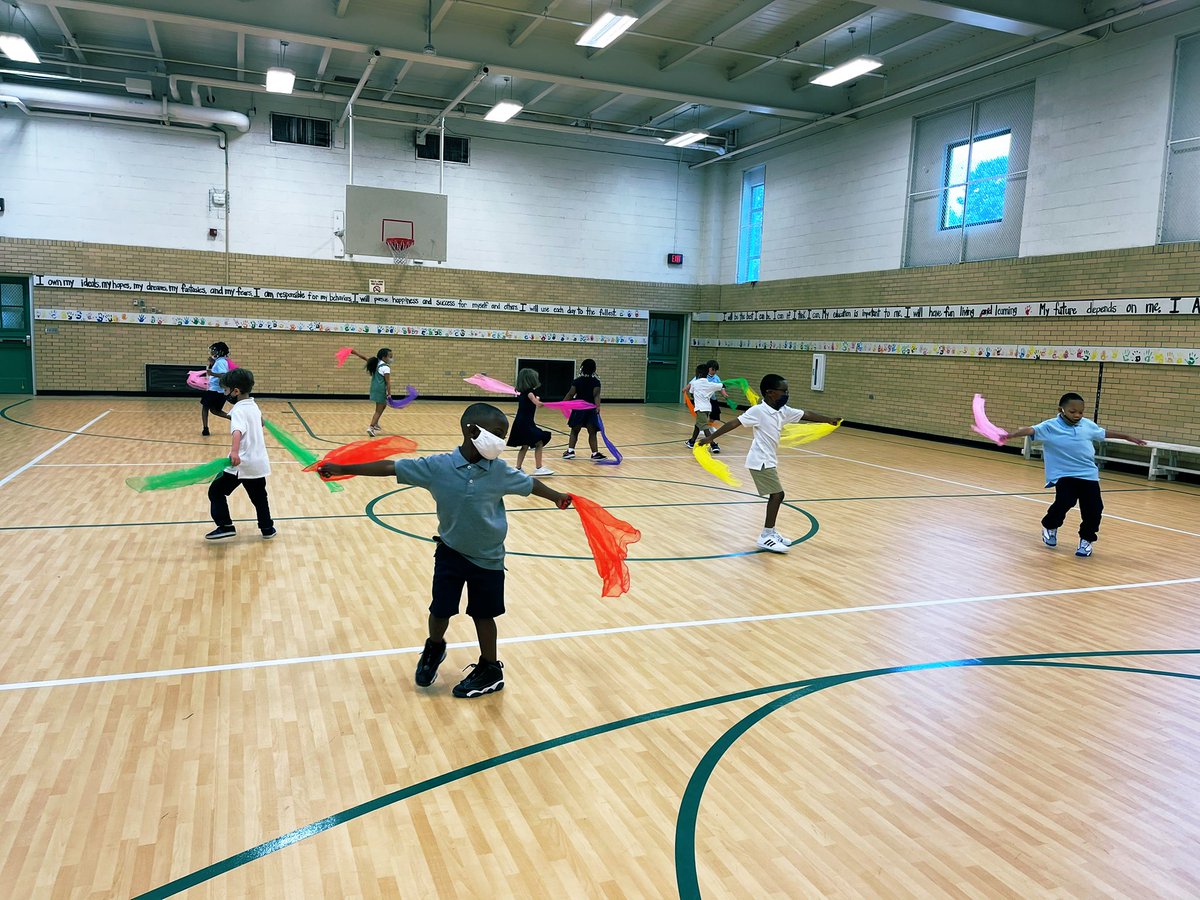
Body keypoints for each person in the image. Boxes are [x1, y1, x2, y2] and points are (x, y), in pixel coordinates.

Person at [319, 403, 572, 698]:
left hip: (489, 558)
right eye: (498, 434)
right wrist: (343, 468)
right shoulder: (437, 467)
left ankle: (490, 668)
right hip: (451, 552)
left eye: (505, 435)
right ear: (472, 430)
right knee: (440, 610)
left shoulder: (500, 472)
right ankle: (434, 648)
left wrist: (557, 497)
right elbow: (391, 467)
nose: (502, 442)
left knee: (483, 615)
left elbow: (529, 484)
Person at [699, 374, 839, 554]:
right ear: (770, 393)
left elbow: (806, 414)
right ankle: (766, 536)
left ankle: (771, 532)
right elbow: (734, 423)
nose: (786, 394)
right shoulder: (758, 411)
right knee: (777, 495)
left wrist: (828, 419)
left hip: (769, 459)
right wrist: (710, 437)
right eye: (784, 391)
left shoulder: (783, 411)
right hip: (760, 460)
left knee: (777, 495)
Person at [998, 392, 1145, 557]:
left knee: (1094, 509)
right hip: (1064, 474)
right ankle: (1049, 525)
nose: (1077, 415)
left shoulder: (1087, 425)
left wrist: (1126, 437)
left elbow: (1103, 433)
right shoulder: (1050, 426)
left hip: (1088, 473)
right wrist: (1011, 435)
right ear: (1061, 409)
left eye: (1081, 412)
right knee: (1066, 501)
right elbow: (1031, 430)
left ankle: (1086, 541)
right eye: (1072, 411)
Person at [205, 367, 275, 541]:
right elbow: (261, 422)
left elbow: (237, 431)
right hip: (258, 463)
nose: (225, 393)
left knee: (215, 491)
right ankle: (267, 528)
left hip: (240, 464)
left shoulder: (237, 410)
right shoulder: (253, 405)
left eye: (226, 390)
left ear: (235, 391)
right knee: (260, 497)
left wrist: (234, 452)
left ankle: (225, 525)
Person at [508, 368, 555, 475]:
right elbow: (537, 404)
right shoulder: (530, 393)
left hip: (521, 422)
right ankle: (539, 468)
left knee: (524, 445)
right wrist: (544, 403)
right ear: (531, 379)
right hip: (526, 423)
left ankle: (518, 468)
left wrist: (536, 399)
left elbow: (532, 401)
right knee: (539, 442)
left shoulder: (522, 393)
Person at [562, 358, 605, 460]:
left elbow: (571, 393)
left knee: (574, 431)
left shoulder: (577, 381)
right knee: (592, 432)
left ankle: (570, 451)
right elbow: (596, 396)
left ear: (582, 368)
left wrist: (563, 403)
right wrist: (598, 407)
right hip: (591, 409)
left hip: (579, 409)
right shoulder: (596, 382)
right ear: (594, 369)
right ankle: (595, 453)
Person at [348, 347, 393, 436]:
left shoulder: (377, 363)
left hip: (374, 388)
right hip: (380, 390)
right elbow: (388, 382)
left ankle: (375, 424)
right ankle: (371, 427)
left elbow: (364, 358)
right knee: (378, 410)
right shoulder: (386, 368)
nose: (391, 358)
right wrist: (389, 394)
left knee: (383, 405)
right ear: (384, 357)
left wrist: (355, 353)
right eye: (390, 356)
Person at [686, 363, 727, 453]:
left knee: (704, 426)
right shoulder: (710, 384)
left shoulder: (695, 383)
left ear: (699, 374)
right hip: (708, 408)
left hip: (699, 409)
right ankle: (691, 441)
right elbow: (722, 385)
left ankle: (713, 445)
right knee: (698, 424)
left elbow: (691, 392)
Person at [200, 341, 232, 436]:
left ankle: (205, 429)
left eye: (214, 350)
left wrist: (212, 373)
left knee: (205, 408)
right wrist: (212, 363)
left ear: (220, 352)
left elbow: (224, 375)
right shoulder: (220, 361)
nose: (212, 351)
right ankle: (233, 418)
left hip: (214, 390)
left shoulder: (221, 362)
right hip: (218, 390)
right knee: (215, 410)